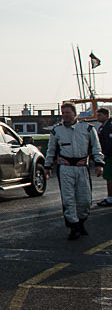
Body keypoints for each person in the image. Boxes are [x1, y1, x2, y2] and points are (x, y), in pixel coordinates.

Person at [44, 102, 105, 240]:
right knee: (68, 199)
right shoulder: (56, 131)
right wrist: (47, 166)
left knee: (85, 200)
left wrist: (99, 163)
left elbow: (96, 147)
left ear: (74, 113)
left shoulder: (88, 129)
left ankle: (81, 220)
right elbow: (51, 150)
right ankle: (73, 226)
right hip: (65, 168)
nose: (65, 115)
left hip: (82, 167)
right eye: (63, 112)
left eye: (68, 112)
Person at [97, 107, 112, 207]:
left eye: (100, 115)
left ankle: (110, 198)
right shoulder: (102, 128)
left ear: (106, 115)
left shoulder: (109, 127)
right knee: (108, 177)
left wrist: (105, 153)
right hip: (107, 156)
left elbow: (109, 143)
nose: (98, 117)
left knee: (109, 177)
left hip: (110, 156)